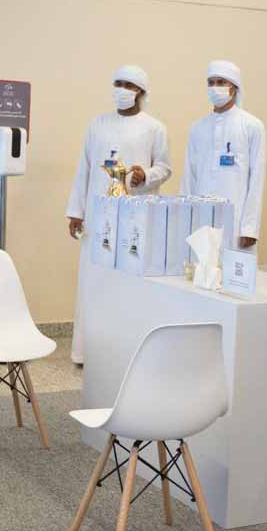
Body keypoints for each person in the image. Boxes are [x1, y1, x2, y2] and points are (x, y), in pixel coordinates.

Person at [66, 65, 171, 365]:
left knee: (128, 283)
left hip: (134, 219)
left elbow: (165, 167)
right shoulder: (97, 124)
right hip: (98, 218)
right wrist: (76, 211)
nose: (121, 89)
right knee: (93, 281)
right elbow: (84, 168)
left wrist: (146, 175)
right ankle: (86, 351)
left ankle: (126, 350)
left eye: (128, 85)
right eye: (117, 83)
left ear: (140, 92)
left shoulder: (154, 128)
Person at [180, 60, 266, 250]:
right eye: (211, 82)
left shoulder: (252, 126)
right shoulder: (197, 128)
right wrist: (184, 219)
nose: (215, 87)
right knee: (198, 273)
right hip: (200, 221)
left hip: (236, 224)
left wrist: (250, 229)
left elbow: (257, 180)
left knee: (233, 275)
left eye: (221, 82)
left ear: (234, 88)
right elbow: (189, 177)